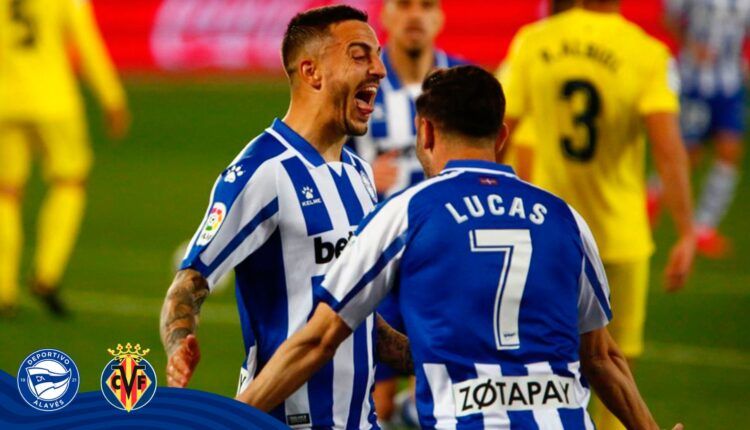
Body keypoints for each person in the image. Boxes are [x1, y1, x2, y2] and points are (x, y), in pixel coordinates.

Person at [237, 65, 683, 430]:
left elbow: (317, 340)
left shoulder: (406, 213)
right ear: (502, 138)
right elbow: (602, 357)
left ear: (426, 134)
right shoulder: (564, 219)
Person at [159, 6, 412, 429]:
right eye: (359, 55)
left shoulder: (359, 174)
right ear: (312, 72)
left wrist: (445, 353)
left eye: (378, 55)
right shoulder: (265, 170)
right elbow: (188, 284)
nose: (379, 70)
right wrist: (178, 344)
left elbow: (357, 317)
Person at [499, 1, 696, 428]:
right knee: (613, 367)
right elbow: (668, 148)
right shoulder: (646, 52)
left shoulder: (535, 41)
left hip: (546, 237)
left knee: (539, 367)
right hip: (618, 238)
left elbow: (500, 128)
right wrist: (686, 231)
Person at [349, 0, 463, 424]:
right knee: (372, 397)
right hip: (381, 261)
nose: (415, 14)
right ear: (386, 16)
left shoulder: (462, 83)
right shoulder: (361, 85)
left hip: (446, 260)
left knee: (441, 394)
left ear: (440, 18)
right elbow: (325, 160)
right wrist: (363, 173)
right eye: (404, 4)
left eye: (427, 5)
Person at [0, 0, 130, 317]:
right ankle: (47, 274)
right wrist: (111, 97)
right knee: (70, 180)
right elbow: (85, 43)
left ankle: (4, 290)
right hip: (53, 100)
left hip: (4, 100)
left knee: (7, 191)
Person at [657, 0, 750, 257]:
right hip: (694, 80)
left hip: (729, 83)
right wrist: (690, 45)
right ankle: (653, 194)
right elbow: (669, 16)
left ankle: (704, 227)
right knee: (689, 153)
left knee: (730, 151)